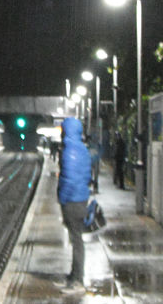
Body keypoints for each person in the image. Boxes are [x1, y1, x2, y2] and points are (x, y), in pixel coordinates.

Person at [57, 117, 92, 294]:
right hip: (81, 198)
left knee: (77, 240)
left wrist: (62, 199)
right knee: (75, 238)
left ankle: (78, 281)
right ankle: (73, 276)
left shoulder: (70, 150)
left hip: (72, 200)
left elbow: (68, 179)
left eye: (63, 129)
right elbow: (87, 176)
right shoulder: (82, 149)